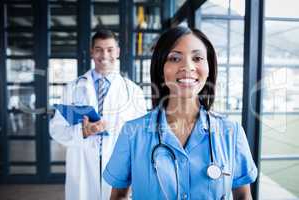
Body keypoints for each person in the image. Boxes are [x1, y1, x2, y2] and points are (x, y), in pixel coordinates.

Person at [103, 26, 258, 200]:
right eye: (175, 58)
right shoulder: (132, 133)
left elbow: (243, 196)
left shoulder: (231, 133)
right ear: (161, 68)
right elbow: (118, 196)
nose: (187, 67)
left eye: (197, 58)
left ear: (209, 67)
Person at [49, 29, 147, 200]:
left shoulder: (133, 91)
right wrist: (83, 132)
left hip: (118, 167)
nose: (104, 55)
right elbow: (56, 130)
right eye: (99, 49)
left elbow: (141, 137)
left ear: (117, 52)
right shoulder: (72, 88)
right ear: (92, 52)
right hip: (82, 166)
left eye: (110, 49)